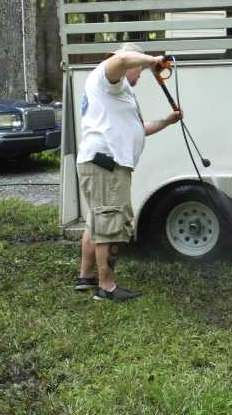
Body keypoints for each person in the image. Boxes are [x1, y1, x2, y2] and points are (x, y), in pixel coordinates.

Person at [74, 43, 181, 301]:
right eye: (139, 71)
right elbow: (122, 58)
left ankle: (86, 277)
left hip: (102, 164)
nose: (140, 75)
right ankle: (106, 287)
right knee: (110, 224)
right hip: (106, 164)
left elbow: (137, 128)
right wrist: (151, 60)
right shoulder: (107, 76)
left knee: (97, 221)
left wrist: (167, 121)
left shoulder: (117, 92)